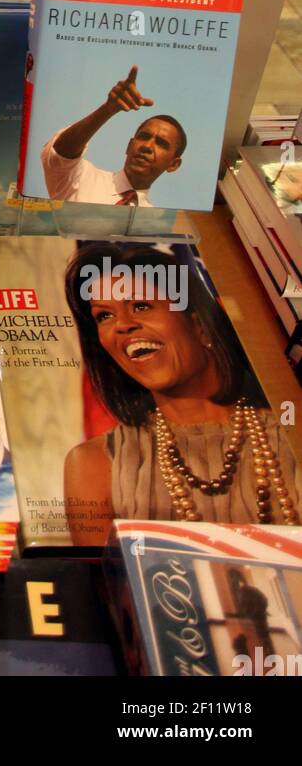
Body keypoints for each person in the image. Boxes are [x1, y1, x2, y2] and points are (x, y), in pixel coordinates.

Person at [63, 241, 301, 545]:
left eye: (140, 306)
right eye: (104, 316)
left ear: (199, 324)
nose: (122, 325)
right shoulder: (93, 464)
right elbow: (104, 588)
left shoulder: (292, 433)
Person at [40, 65, 185, 207]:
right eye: (144, 137)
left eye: (161, 144)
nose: (147, 146)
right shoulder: (81, 179)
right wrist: (108, 109)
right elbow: (60, 154)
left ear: (173, 164)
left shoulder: (153, 223)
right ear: (129, 146)